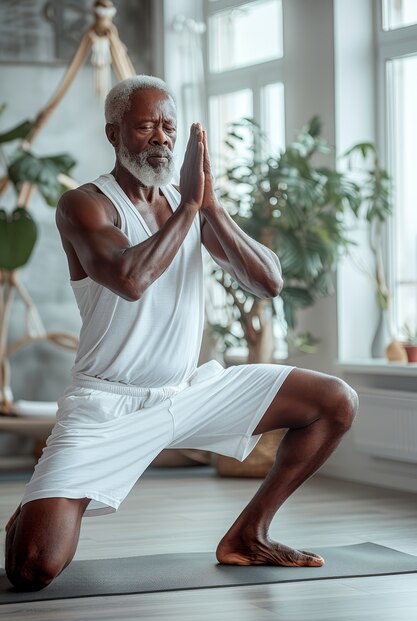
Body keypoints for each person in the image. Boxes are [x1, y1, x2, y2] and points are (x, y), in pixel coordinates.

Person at [5, 75, 358, 591]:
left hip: (188, 392)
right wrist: (190, 208)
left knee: (335, 401)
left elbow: (269, 282)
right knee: (32, 569)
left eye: (169, 127)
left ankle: (248, 535)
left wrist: (208, 205)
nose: (161, 138)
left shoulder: (188, 202)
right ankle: (32, 508)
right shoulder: (85, 205)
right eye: (146, 125)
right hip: (107, 405)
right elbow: (130, 279)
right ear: (114, 134)